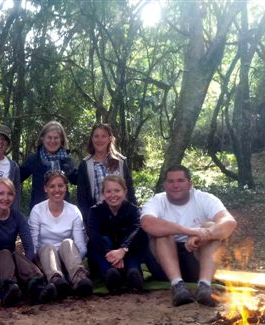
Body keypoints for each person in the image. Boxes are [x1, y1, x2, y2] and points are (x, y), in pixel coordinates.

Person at [140, 165, 237, 307]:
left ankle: (204, 286)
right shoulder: (157, 201)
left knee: (211, 226)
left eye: (180, 180)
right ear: (165, 185)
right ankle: (177, 286)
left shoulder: (205, 199)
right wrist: (189, 231)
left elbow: (229, 223)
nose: (175, 185)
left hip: (194, 261)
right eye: (171, 181)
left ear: (190, 184)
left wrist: (204, 235)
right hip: (162, 267)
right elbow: (147, 223)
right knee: (163, 231)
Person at [0, 178, 57, 306]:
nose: (5, 198)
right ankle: (8, 288)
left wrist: (26, 265)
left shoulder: (18, 217)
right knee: (4, 253)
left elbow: (29, 247)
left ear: (14, 197)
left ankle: (37, 286)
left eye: (9, 194)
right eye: (1, 193)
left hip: (12, 263)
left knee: (15, 254)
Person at [29, 170, 93, 298]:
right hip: (46, 258)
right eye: (52, 186)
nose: (57, 190)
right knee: (48, 247)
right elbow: (33, 243)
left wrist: (70, 262)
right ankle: (56, 280)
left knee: (68, 242)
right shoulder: (37, 210)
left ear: (65, 187)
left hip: (69, 257)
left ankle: (79, 279)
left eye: (60, 186)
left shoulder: (73, 211)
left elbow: (81, 245)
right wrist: (37, 263)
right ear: (46, 189)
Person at [87, 175, 146, 294]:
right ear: (103, 194)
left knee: (138, 238)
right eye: (108, 191)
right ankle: (110, 275)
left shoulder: (134, 210)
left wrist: (123, 249)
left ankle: (134, 273)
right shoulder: (95, 211)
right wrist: (110, 254)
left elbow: (136, 230)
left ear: (125, 191)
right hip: (105, 254)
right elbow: (93, 234)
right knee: (95, 243)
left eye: (117, 190)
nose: (113, 195)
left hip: (126, 251)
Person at [76, 123, 137, 222]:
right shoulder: (85, 164)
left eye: (103, 136)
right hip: (97, 218)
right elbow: (82, 197)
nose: (99, 140)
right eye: (96, 136)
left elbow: (129, 189)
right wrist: (88, 219)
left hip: (122, 216)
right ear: (92, 139)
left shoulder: (120, 161)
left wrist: (135, 214)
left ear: (109, 139)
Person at [20, 121, 77, 209]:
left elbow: (76, 180)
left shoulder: (66, 160)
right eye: (49, 137)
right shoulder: (34, 159)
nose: (52, 141)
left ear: (61, 140)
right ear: (42, 138)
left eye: (56, 138)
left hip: (63, 210)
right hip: (39, 210)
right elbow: (17, 177)